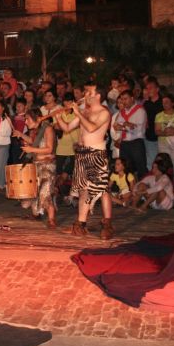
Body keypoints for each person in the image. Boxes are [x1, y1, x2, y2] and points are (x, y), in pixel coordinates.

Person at [56, 80, 114, 238]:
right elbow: (67, 128)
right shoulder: (85, 112)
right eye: (86, 92)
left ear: (98, 96)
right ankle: (80, 225)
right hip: (81, 155)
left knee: (102, 190)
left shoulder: (104, 112)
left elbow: (91, 127)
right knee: (83, 191)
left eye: (89, 92)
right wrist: (58, 115)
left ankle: (107, 225)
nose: (86, 95)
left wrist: (78, 111)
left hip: (96, 153)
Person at [14, 108, 58, 228]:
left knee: (45, 192)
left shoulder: (48, 128)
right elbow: (33, 142)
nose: (26, 122)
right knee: (34, 191)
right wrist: (21, 135)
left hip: (47, 165)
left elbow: (49, 148)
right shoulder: (34, 130)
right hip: (36, 164)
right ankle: (37, 214)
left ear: (36, 118)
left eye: (27, 119)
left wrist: (31, 149)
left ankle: (51, 219)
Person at [116, 89, 147, 178]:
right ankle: (128, 188)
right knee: (126, 168)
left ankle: (142, 188)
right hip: (125, 143)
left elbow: (138, 129)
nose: (123, 102)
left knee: (140, 167)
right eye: (122, 99)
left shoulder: (140, 110)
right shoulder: (122, 112)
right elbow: (118, 126)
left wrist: (126, 126)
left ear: (132, 98)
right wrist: (127, 126)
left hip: (136, 142)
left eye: (125, 99)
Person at [143, 77, 163, 171]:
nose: (149, 90)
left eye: (151, 88)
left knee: (162, 162)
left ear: (157, 89)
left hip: (162, 137)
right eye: (147, 88)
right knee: (150, 162)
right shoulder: (146, 104)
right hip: (149, 137)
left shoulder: (163, 102)